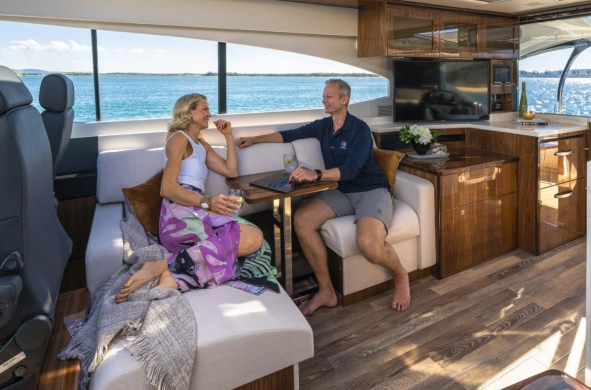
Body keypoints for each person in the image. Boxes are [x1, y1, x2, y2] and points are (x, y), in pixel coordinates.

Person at [237, 79, 410, 315]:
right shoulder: (323, 127)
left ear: (344, 99)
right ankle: (326, 291)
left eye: (329, 96)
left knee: (369, 244)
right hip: (342, 191)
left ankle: (401, 275)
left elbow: (351, 170)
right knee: (302, 219)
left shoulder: (359, 129)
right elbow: (289, 135)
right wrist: (255, 139)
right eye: (323, 96)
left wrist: (315, 174)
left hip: (370, 190)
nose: (323, 100)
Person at [116, 93, 277, 302]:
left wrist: (228, 136)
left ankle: (175, 277)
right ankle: (160, 266)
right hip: (179, 214)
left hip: (198, 209)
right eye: (205, 109)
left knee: (257, 243)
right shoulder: (179, 139)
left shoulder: (202, 146)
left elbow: (231, 171)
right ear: (189, 112)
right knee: (253, 237)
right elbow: (167, 188)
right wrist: (209, 202)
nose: (209, 114)